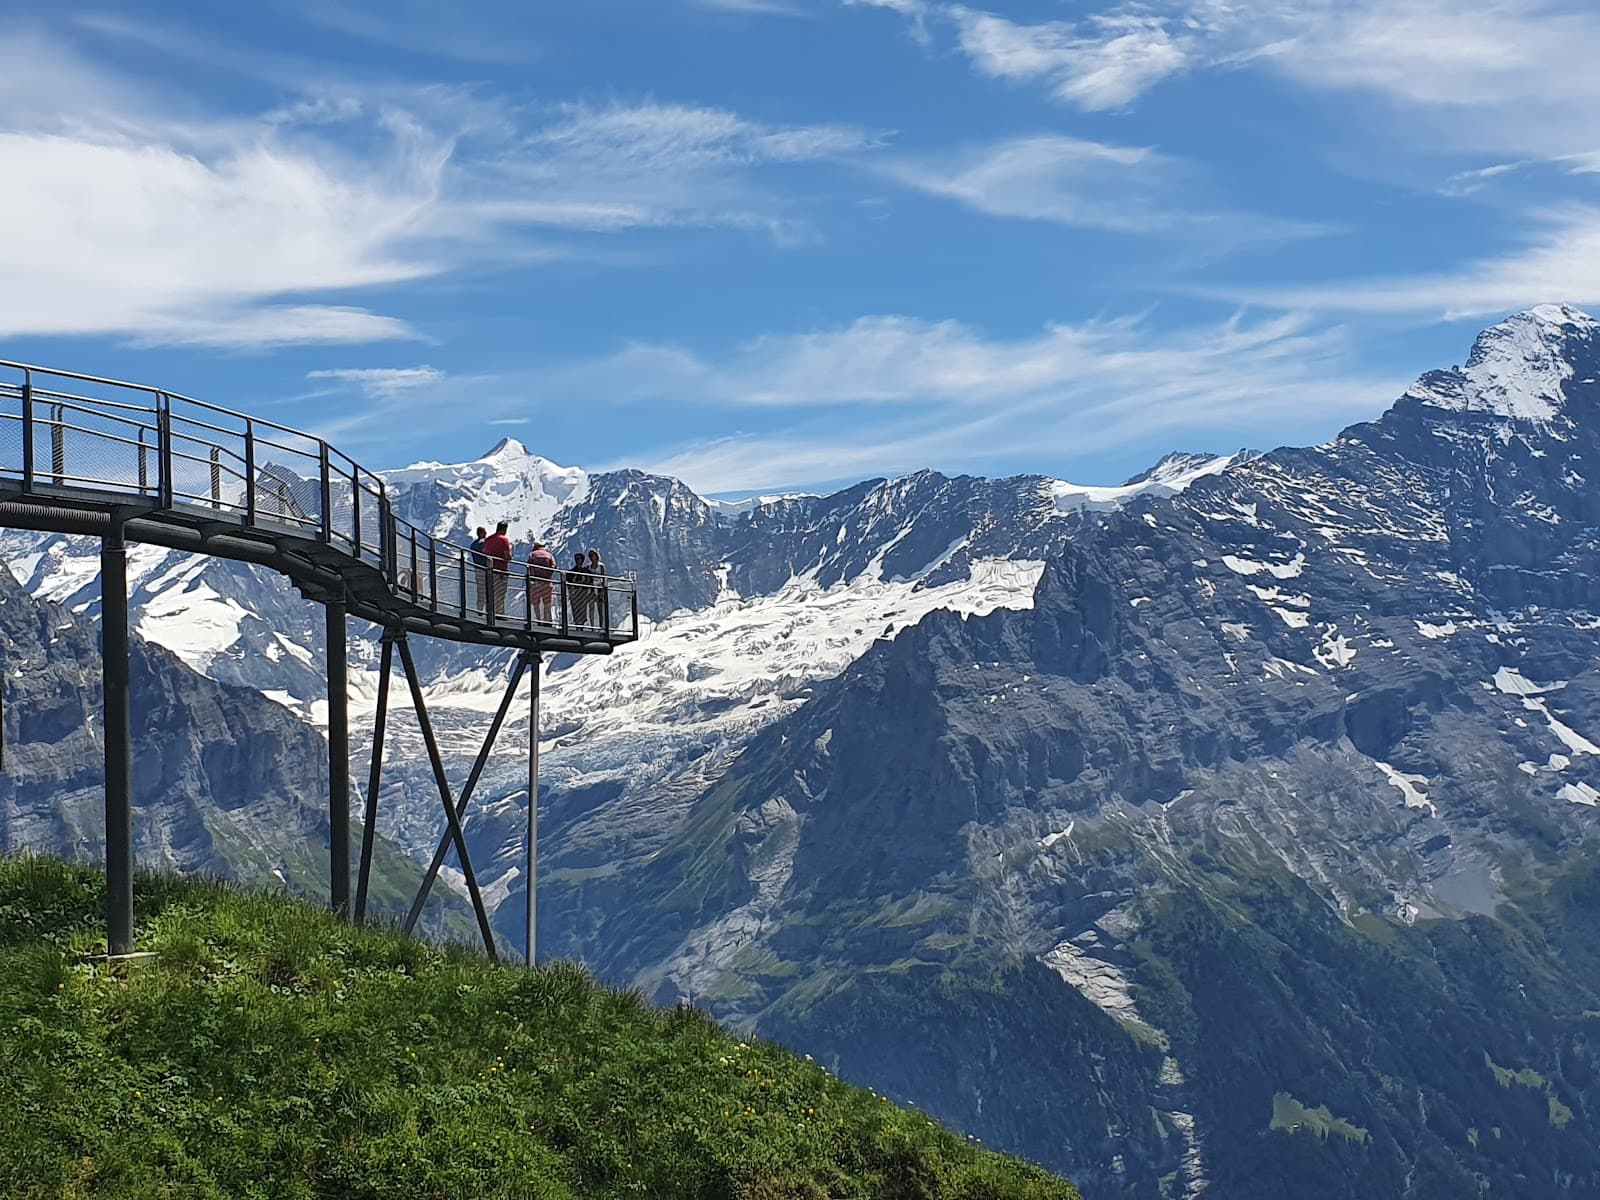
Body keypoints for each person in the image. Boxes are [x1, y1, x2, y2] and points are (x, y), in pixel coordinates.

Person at [483, 520, 513, 622]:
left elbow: (484, 552)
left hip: (489, 570)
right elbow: (507, 556)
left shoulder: (488, 539)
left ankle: (489, 612)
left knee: (490, 592)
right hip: (501, 571)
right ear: (504, 529)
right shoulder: (504, 540)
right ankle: (500, 614)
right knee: (500, 593)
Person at [528, 540, 557, 625]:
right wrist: (549, 576)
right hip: (547, 582)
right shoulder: (549, 555)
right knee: (547, 603)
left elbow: (529, 566)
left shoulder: (532, 554)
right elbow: (554, 566)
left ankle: (538, 620)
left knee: (536, 603)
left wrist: (533, 577)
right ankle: (546, 621)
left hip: (536, 582)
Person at [468, 526, 490, 618]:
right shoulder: (485, 543)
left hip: (477, 569)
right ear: (481, 533)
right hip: (487, 568)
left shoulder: (473, 545)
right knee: (490, 591)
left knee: (481, 591)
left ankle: (480, 610)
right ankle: (490, 611)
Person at [567, 551, 591, 628]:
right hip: (575, 593)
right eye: (576, 559)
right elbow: (568, 582)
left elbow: (590, 581)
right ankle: (577, 624)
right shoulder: (571, 572)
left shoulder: (586, 571)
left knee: (583, 609)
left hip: (583, 593)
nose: (577, 560)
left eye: (579, 559)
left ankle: (582, 625)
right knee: (575, 609)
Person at [587, 547, 608, 631]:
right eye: (590, 556)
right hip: (592, 588)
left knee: (600, 608)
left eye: (592, 555)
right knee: (591, 607)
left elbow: (604, 577)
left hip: (599, 588)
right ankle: (592, 626)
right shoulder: (589, 567)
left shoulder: (601, 566)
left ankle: (601, 626)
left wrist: (603, 588)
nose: (591, 557)